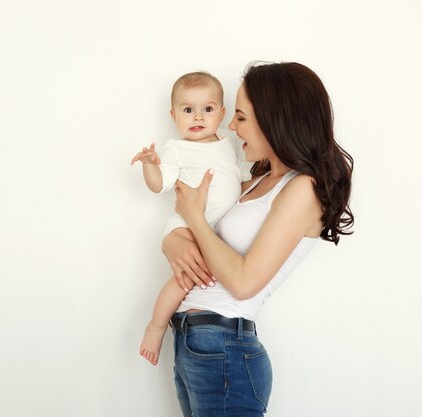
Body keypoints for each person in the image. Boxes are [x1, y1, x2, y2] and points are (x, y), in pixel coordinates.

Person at [163, 61, 354, 417]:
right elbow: (197, 224)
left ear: (273, 120)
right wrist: (172, 240)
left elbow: (243, 281)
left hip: (224, 348)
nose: (231, 127)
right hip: (194, 341)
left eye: (240, 117)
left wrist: (192, 220)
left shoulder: (302, 188)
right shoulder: (255, 182)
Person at [131, 71, 251, 365]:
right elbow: (160, 184)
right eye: (188, 110)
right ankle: (156, 327)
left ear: (222, 114)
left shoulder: (230, 144)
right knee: (185, 279)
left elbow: (242, 177)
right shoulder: (176, 149)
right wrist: (150, 166)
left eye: (207, 109)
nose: (198, 117)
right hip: (186, 227)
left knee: (201, 274)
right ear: (173, 115)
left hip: (213, 228)